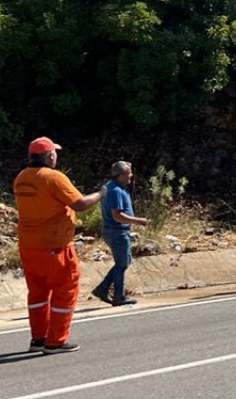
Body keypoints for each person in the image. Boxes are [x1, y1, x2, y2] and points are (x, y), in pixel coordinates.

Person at [13, 137, 103, 354]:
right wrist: (101, 194)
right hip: (55, 245)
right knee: (65, 291)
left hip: (29, 245)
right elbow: (80, 204)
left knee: (37, 294)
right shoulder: (53, 177)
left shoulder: (21, 178)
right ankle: (56, 341)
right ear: (50, 156)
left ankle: (38, 339)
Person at [90, 161, 148, 307]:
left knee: (124, 262)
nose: (131, 175)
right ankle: (118, 295)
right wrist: (138, 221)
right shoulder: (115, 191)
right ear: (121, 175)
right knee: (122, 263)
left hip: (115, 231)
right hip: (117, 231)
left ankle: (103, 289)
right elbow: (117, 216)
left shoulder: (112, 187)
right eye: (129, 173)